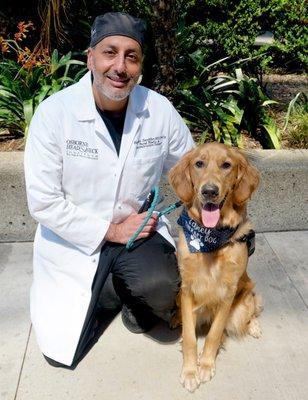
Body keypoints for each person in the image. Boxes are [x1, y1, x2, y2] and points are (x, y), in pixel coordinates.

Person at [24, 11, 195, 369]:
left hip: (137, 232)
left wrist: (216, 222)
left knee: (165, 291)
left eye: (131, 56)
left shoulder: (159, 110)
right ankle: (106, 289)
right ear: (90, 57)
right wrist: (111, 231)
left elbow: (191, 171)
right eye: (109, 52)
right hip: (75, 237)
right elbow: (43, 202)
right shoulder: (54, 114)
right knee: (60, 349)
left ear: (140, 65)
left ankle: (127, 293)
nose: (120, 66)